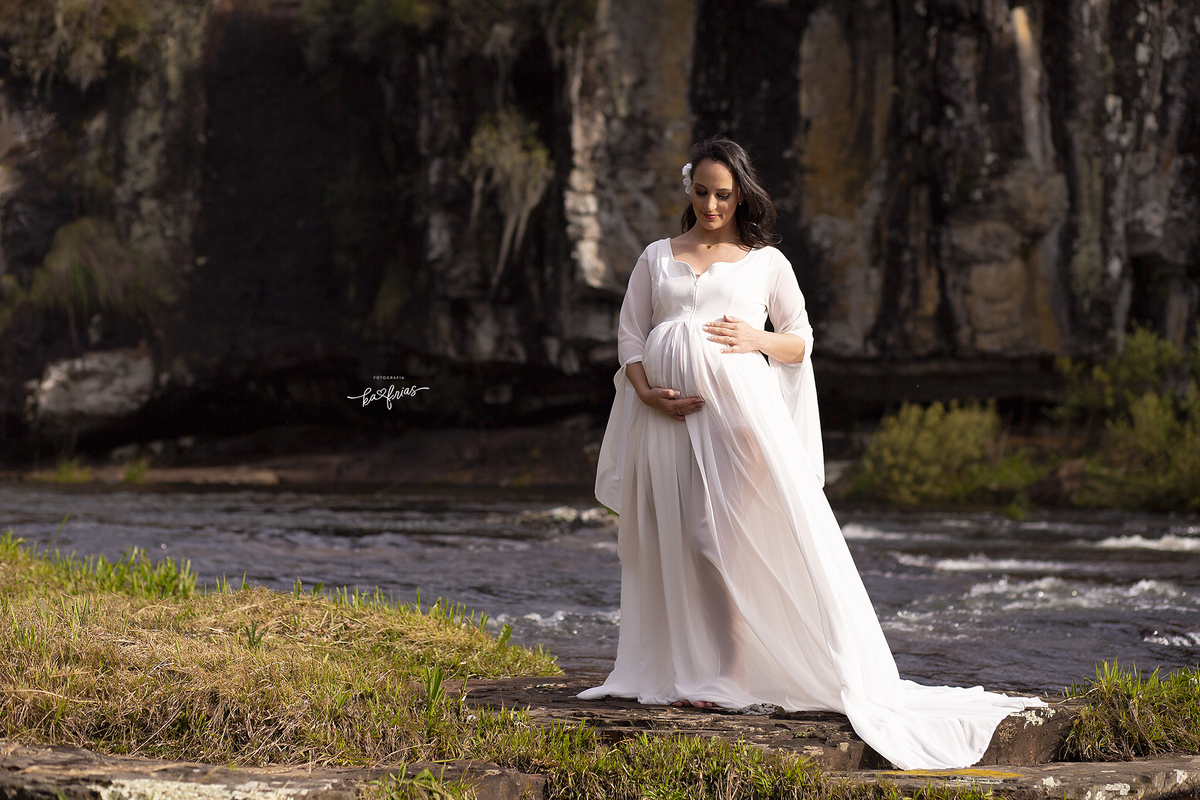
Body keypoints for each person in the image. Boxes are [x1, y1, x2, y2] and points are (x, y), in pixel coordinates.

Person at [579, 136, 1045, 771]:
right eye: (702, 193)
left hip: (737, 420)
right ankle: (684, 670)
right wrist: (645, 392)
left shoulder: (766, 262)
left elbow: (800, 341)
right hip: (665, 419)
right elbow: (630, 336)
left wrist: (757, 337)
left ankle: (731, 675)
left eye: (723, 195)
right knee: (674, 539)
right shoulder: (656, 256)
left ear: (741, 195)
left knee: (719, 539)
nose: (711, 206)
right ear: (688, 189)